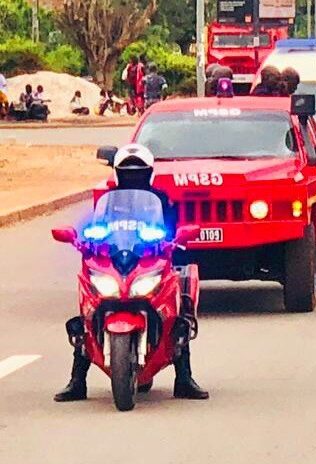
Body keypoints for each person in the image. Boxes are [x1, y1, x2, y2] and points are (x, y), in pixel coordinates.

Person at [55, 144, 210, 403]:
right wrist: (86, 240)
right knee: (87, 313)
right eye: (127, 171)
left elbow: (173, 229)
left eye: (138, 171)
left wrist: (171, 240)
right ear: (117, 172)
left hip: (151, 259)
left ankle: (184, 378)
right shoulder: (107, 199)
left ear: (148, 172)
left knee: (179, 311)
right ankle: (77, 381)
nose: (132, 176)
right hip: (115, 260)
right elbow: (95, 226)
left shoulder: (162, 199)